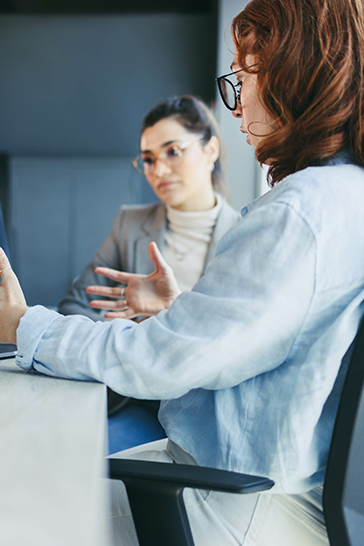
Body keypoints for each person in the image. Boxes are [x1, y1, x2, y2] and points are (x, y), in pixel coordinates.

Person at [0, 0, 364, 543]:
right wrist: (177, 312)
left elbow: (159, 362)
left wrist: (23, 326)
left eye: (244, 75)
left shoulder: (302, 211)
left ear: (294, 70)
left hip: (236, 502)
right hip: (289, 492)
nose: (234, 105)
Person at [58, 96, 241, 452]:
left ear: (211, 150)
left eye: (173, 151)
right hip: (134, 399)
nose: (158, 170)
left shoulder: (243, 235)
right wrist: (130, 334)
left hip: (204, 413)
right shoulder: (131, 223)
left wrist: (167, 321)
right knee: (70, 449)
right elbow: (74, 304)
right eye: (148, 159)